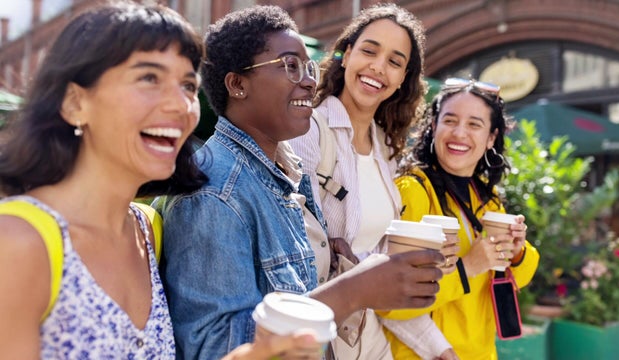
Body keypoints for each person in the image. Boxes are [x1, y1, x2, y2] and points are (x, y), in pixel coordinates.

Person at [0, 2, 325, 359]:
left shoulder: (147, 230)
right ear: (76, 103)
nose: (180, 104)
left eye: (188, 84)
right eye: (149, 78)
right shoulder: (19, 242)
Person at [159, 5, 443, 359]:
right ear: (237, 84)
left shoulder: (284, 170)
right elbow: (214, 348)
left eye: (307, 66)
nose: (310, 80)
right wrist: (352, 292)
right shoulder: (215, 193)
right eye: (290, 66)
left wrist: (330, 257)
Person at [289, 4, 457, 359]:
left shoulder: (386, 152)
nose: (379, 67)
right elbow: (296, 254)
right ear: (346, 55)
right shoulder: (309, 131)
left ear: (401, 79)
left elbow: (385, 272)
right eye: (369, 51)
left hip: (373, 343)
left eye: (395, 62)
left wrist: (441, 350)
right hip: (322, 340)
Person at [393, 78, 540, 359]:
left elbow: (516, 278)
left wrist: (518, 251)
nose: (459, 133)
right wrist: (468, 266)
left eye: (474, 124)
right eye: (450, 121)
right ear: (433, 126)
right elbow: (399, 296)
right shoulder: (412, 190)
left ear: (491, 138)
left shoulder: (487, 197)